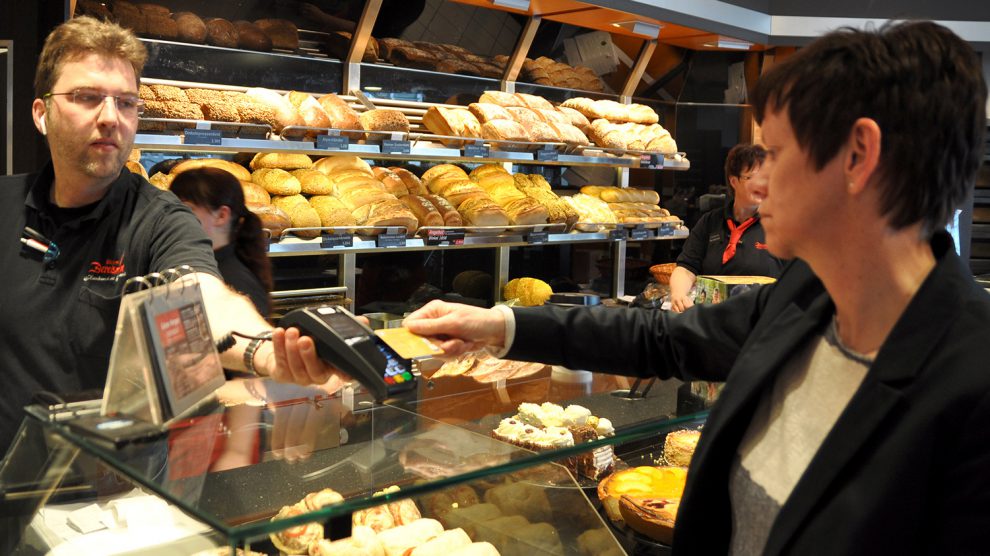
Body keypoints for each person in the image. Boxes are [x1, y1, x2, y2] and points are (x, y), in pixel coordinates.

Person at [405, 21, 990, 554]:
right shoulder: (810, 299)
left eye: (777, 154)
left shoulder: (970, 385)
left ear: (858, 157)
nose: (758, 186)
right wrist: (496, 326)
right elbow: (663, 339)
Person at [0, 16, 346, 455]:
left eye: (126, 102)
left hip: (117, 498)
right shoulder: (5, 204)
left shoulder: (161, 219)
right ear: (41, 113)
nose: (110, 117)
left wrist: (269, 352)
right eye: (87, 97)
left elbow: (201, 297)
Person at [669, 143, 783, 312]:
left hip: (762, 321)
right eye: (752, 178)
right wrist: (678, 295)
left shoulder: (780, 225)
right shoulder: (710, 222)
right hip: (712, 319)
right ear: (733, 181)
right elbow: (686, 268)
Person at [170, 167, 272, 316]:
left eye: (185, 209)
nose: (171, 218)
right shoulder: (196, 266)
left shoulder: (237, 284)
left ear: (222, 216)